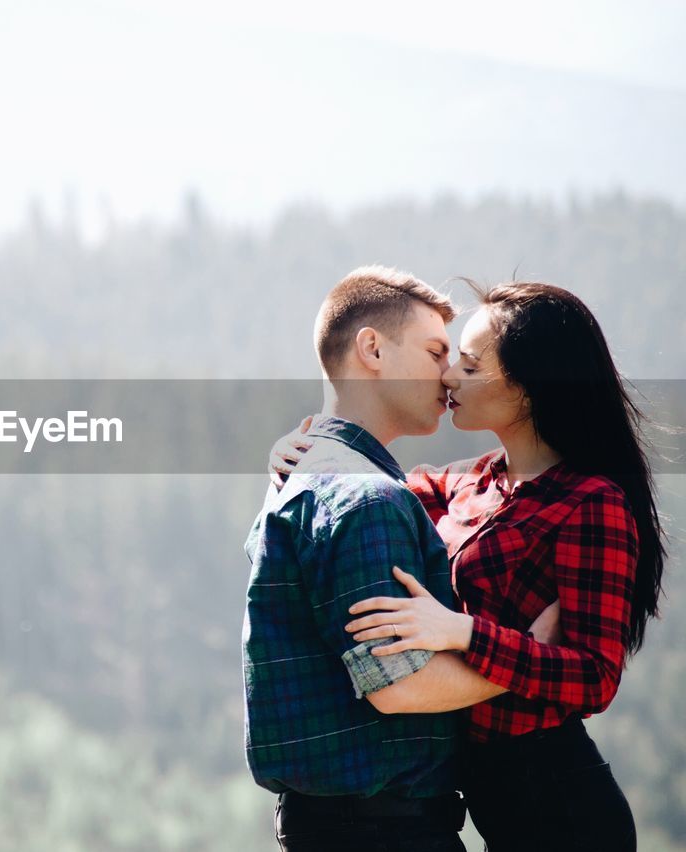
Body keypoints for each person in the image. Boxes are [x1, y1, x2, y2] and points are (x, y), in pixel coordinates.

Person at [269, 281, 666, 851]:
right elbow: (359, 496)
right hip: (481, 795)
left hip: (558, 803)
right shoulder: (465, 482)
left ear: (530, 387)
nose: (450, 376)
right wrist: (299, 448)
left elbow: (595, 676)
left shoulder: (590, 502)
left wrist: (466, 634)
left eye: (471, 365)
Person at [243, 266, 560, 852]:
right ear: (372, 349)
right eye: (436, 350)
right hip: (384, 831)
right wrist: (529, 661)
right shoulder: (368, 498)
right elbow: (399, 684)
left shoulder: (305, 474)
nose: (448, 374)